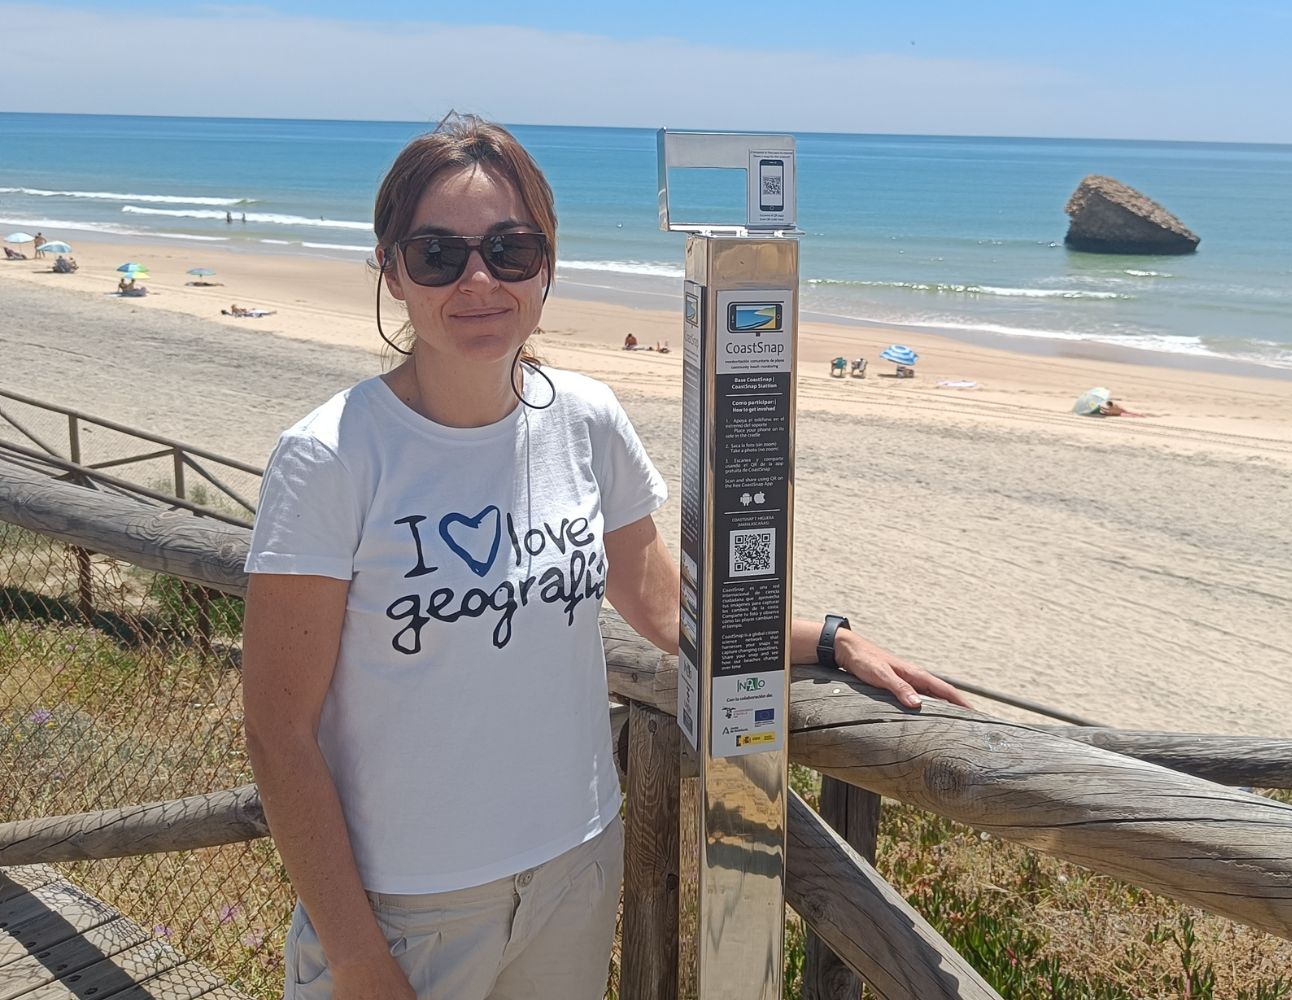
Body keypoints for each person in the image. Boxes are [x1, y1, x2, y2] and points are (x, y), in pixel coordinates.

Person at [240, 113, 972, 1000]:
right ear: (391, 271)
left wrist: (833, 640)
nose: (478, 279)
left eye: (510, 249)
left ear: (547, 262)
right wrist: (356, 956)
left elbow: (665, 609)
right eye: (439, 254)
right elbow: (279, 734)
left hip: (574, 870)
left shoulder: (583, 421)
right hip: (406, 906)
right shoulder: (332, 456)